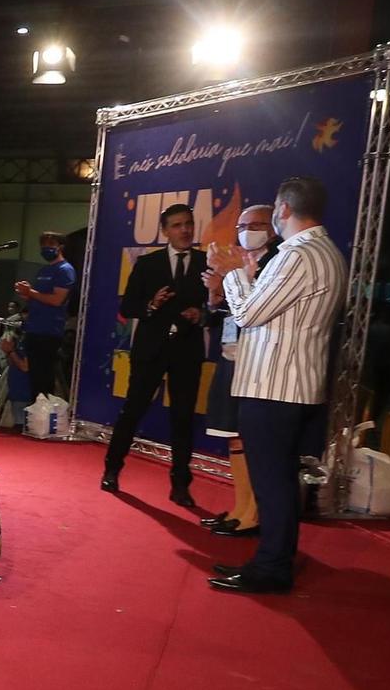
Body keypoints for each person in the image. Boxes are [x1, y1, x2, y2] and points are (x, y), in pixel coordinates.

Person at [208, 176, 344, 594]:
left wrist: (232, 275)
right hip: (288, 383)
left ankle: (271, 567)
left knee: (273, 482)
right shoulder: (325, 251)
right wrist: (246, 277)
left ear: (283, 210)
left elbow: (248, 314)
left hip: (275, 385)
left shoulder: (299, 254)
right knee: (279, 479)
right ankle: (274, 560)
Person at [101, 203, 208, 506]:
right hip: (151, 350)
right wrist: (150, 306)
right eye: (177, 225)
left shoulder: (206, 263)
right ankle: (112, 468)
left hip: (187, 352)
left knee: (183, 419)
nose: (185, 230)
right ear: (165, 231)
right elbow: (127, 307)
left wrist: (201, 315)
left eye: (188, 223)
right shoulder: (148, 264)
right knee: (132, 411)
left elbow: (220, 310)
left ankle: (180, 485)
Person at [199, 205, 278, 538]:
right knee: (231, 434)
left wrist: (236, 276)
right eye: (242, 225)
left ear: (272, 228)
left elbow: (260, 311)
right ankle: (240, 508)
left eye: (256, 225)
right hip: (230, 356)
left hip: (259, 363)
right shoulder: (238, 262)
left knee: (249, 437)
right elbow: (219, 316)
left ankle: (254, 514)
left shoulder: (278, 262)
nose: (247, 231)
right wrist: (215, 294)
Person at [14, 231, 76, 398]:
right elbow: (37, 297)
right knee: (34, 379)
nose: (45, 249)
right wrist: (26, 293)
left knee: (44, 379)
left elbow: (57, 300)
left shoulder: (64, 270)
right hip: (34, 329)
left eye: (50, 245)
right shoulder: (43, 270)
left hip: (48, 332)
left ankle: (45, 416)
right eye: (43, 246)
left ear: (60, 247)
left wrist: (31, 293)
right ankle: (36, 414)